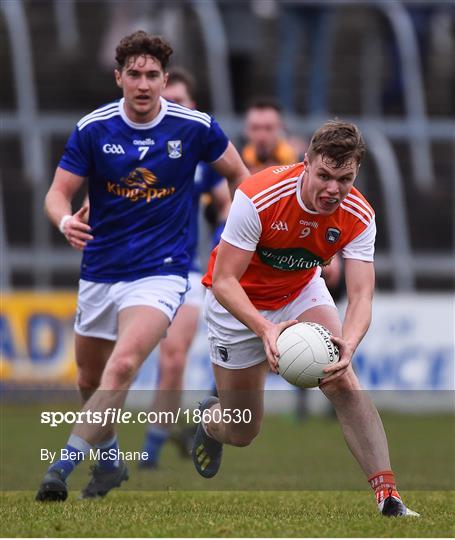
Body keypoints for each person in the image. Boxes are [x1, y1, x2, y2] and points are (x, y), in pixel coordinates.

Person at [36, 30, 249, 502]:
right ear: (119, 78)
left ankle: (61, 468)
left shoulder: (194, 127)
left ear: (164, 79)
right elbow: (56, 193)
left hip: (162, 271)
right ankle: (109, 464)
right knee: (88, 380)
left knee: (125, 363)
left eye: (153, 75)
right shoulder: (93, 128)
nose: (144, 83)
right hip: (101, 270)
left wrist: (241, 237)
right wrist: (65, 220)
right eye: (134, 74)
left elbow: (239, 177)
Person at [192, 120, 419, 518]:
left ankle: (389, 496)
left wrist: (349, 342)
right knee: (242, 431)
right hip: (238, 305)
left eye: (345, 178)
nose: (333, 189)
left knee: (344, 380)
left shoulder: (359, 214)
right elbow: (225, 281)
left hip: (299, 291)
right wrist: (264, 328)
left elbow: (362, 293)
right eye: (325, 176)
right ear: (306, 163)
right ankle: (210, 422)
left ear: (357, 172)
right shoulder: (259, 195)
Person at [139, 67, 231, 468]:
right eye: (167, 101)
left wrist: (224, 242)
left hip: (184, 269)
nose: (172, 107)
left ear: (193, 106)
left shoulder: (201, 151)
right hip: (129, 268)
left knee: (173, 356)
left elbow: (227, 201)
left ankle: (151, 449)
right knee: (105, 366)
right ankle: (101, 444)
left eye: (179, 101)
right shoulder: (134, 145)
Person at [241, 97, 300, 174]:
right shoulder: (238, 162)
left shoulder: (299, 164)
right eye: (255, 128)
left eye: (268, 128)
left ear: (281, 127)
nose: (261, 136)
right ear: (246, 129)